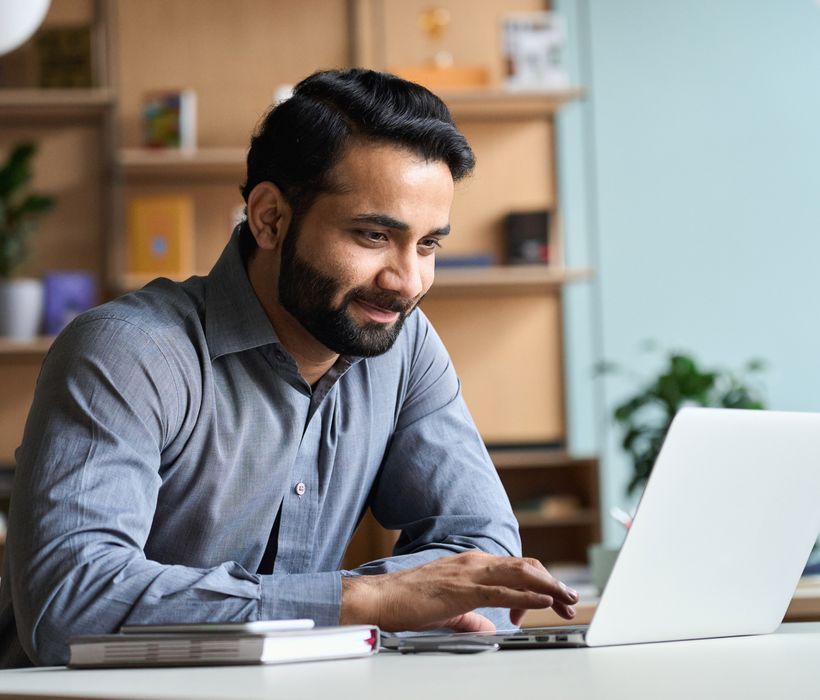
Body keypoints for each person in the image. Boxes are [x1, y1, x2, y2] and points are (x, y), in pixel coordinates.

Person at [0, 68, 577, 667]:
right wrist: (362, 599)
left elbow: (484, 550)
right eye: (375, 235)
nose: (408, 282)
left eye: (428, 245)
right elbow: (70, 604)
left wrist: (385, 599)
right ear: (270, 217)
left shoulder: (403, 346)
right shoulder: (128, 352)